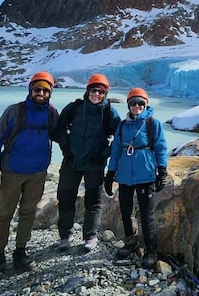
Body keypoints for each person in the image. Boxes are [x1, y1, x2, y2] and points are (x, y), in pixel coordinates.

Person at [0, 71, 59, 282]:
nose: (40, 93)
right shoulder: (14, 112)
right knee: (3, 215)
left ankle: (20, 252)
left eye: (45, 90)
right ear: (30, 90)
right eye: (37, 89)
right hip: (12, 172)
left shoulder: (50, 113)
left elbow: (60, 135)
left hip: (38, 173)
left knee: (28, 213)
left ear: (50, 93)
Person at [51, 73, 121, 252]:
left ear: (105, 94)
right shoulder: (75, 108)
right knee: (66, 197)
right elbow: (58, 128)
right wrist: (65, 145)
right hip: (71, 161)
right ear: (87, 90)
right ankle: (64, 236)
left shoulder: (109, 113)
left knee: (93, 201)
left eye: (100, 91)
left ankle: (90, 236)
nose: (96, 94)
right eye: (93, 90)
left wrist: (103, 154)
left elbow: (121, 138)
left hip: (94, 164)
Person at [104, 87, 169, 269]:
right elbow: (116, 149)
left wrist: (162, 170)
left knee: (146, 215)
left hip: (145, 174)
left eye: (141, 103)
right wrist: (110, 173)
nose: (137, 106)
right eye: (133, 103)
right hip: (125, 175)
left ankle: (151, 250)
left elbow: (161, 147)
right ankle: (130, 242)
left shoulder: (152, 123)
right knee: (126, 210)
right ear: (129, 105)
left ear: (146, 104)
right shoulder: (123, 126)